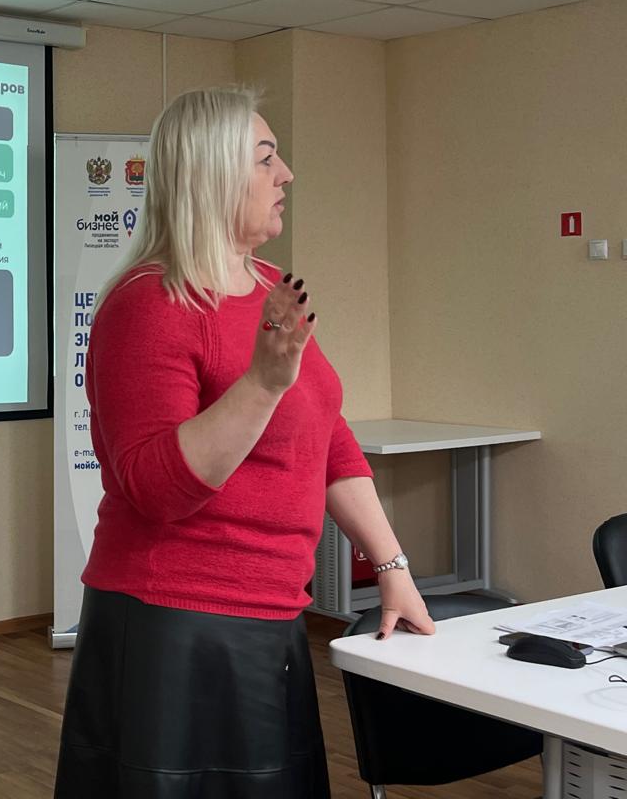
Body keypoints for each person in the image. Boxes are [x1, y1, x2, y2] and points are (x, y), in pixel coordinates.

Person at [53, 87, 434, 799]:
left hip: (273, 611)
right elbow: (156, 488)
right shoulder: (148, 304)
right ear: (212, 175)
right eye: (265, 159)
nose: (286, 173)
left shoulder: (269, 287)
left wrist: (393, 566)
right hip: (175, 621)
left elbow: (328, 437)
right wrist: (261, 383)